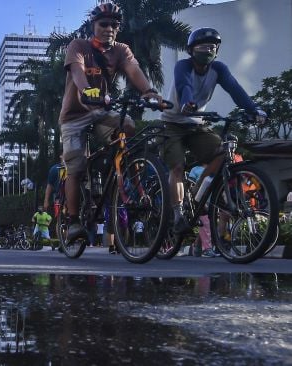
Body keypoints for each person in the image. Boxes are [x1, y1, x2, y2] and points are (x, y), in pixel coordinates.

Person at [59, 3, 161, 243]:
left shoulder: (121, 50)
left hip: (101, 111)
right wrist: (86, 90)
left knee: (127, 125)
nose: (109, 29)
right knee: (75, 166)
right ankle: (73, 222)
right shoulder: (78, 46)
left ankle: (121, 167)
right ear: (93, 26)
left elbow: (133, 69)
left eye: (114, 25)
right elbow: (77, 72)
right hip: (74, 116)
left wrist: (148, 91)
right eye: (103, 24)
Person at [160, 27, 266, 234]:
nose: (208, 50)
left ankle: (199, 191)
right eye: (203, 47)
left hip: (197, 123)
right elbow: (184, 85)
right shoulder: (183, 65)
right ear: (191, 50)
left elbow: (235, 89)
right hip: (172, 123)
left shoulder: (218, 69)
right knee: (177, 167)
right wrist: (187, 102)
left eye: (212, 47)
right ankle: (178, 213)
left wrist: (254, 109)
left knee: (223, 153)